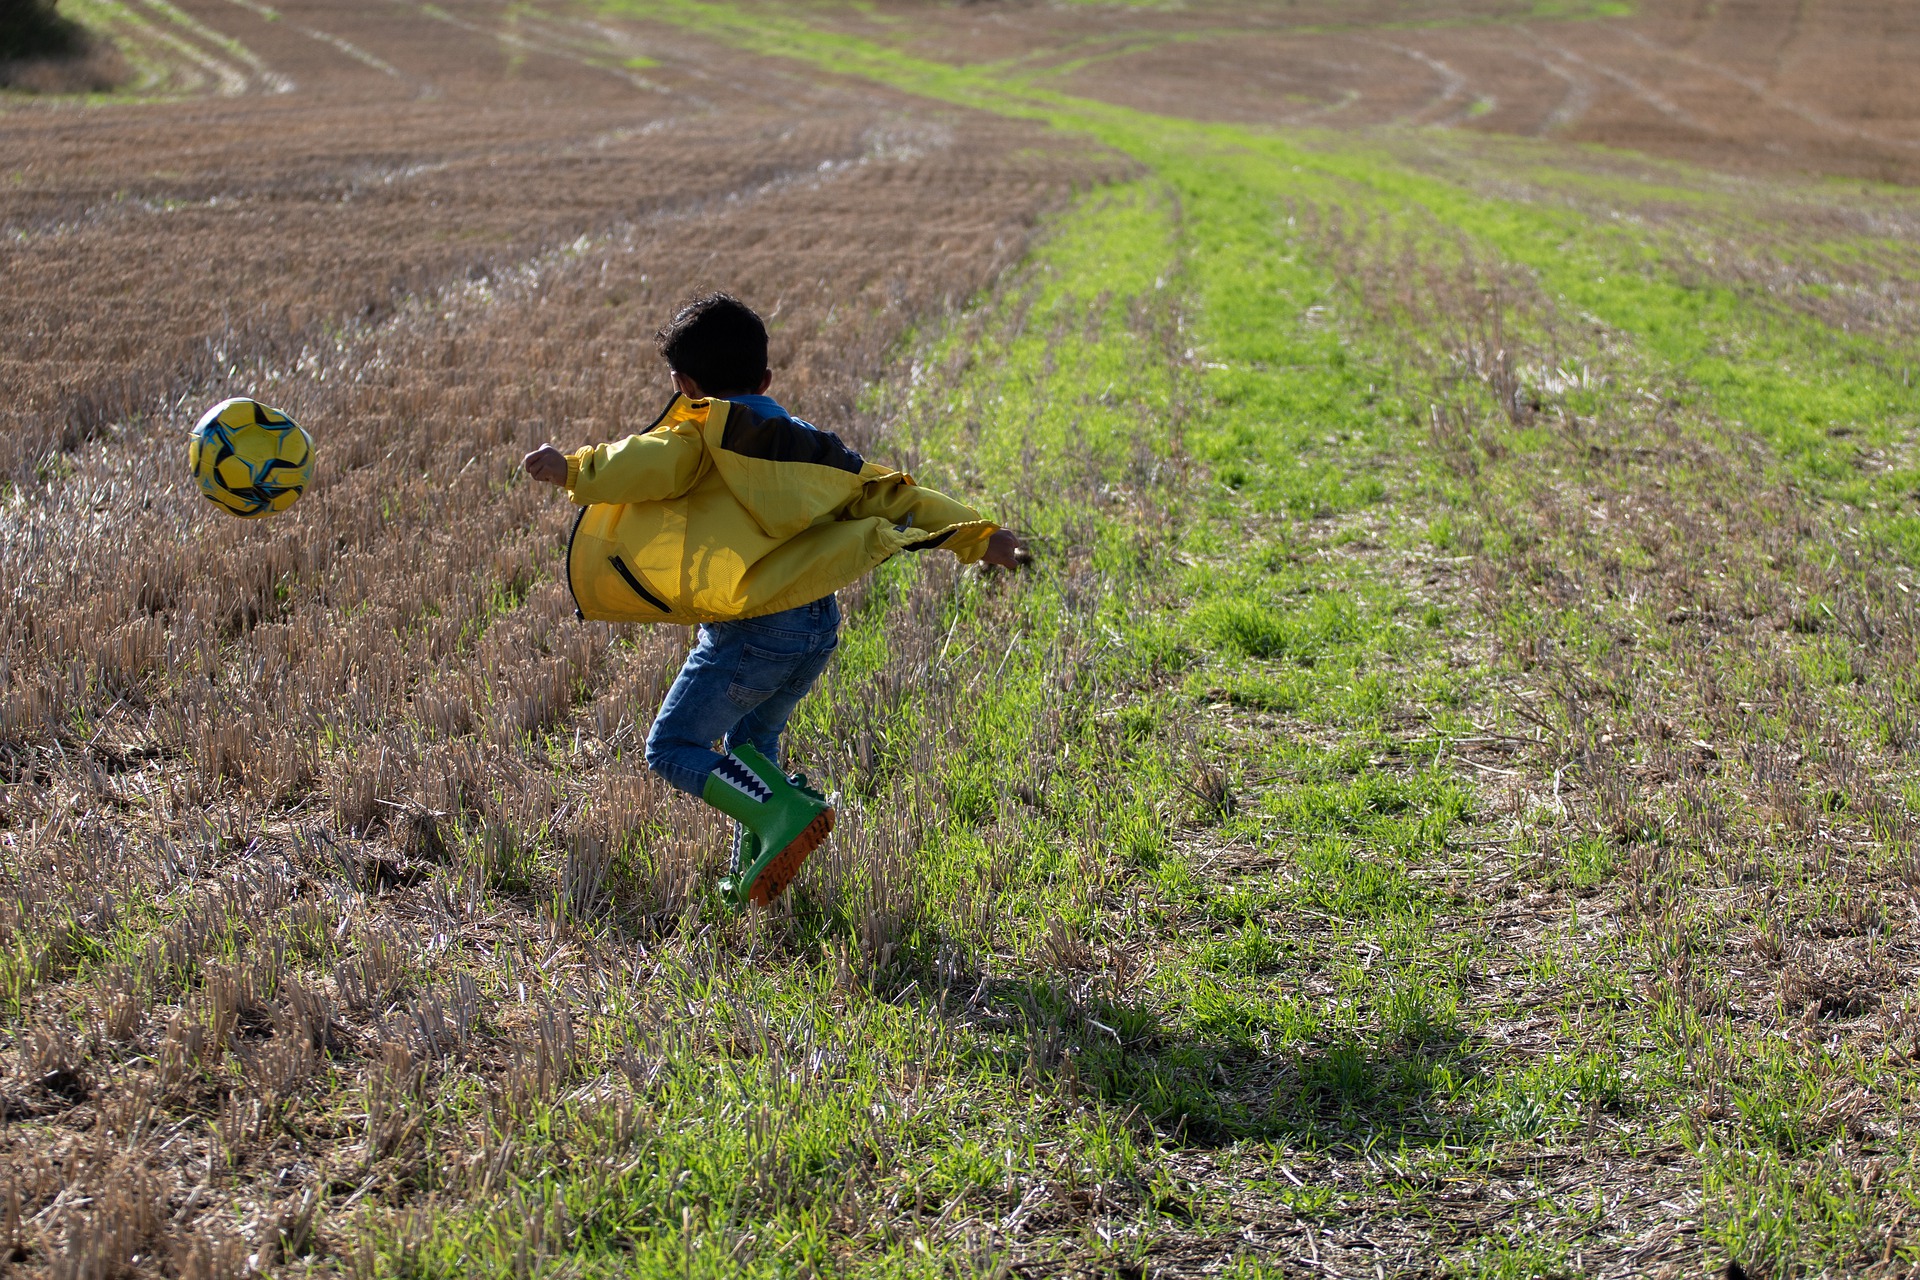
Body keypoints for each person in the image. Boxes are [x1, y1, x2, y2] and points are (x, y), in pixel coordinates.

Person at [523, 293, 1029, 908]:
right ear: (766, 379)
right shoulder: (814, 451)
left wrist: (574, 468)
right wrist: (981, 535)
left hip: (753, 631)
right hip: (815, 625)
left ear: (684, 385)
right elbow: (893, 496)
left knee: (672, 747)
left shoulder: (699, 432)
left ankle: (785, 809)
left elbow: (648, 461)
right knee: (751, 751)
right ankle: (751, 874)